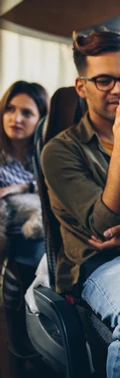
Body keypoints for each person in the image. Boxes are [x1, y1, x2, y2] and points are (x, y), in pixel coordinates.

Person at [40, 29, 120, 378]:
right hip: (103, 261)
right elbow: (105, 225)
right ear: (81, 87)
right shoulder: (60, 151)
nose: (116, 89)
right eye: (104, 80)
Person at [0, 80, 48, 268]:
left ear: (41, 119)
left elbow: (56, 189)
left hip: (38, 234)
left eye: (26, 113)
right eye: (10, 109)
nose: (16, 119)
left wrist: (24, 187)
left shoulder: (48, 155)